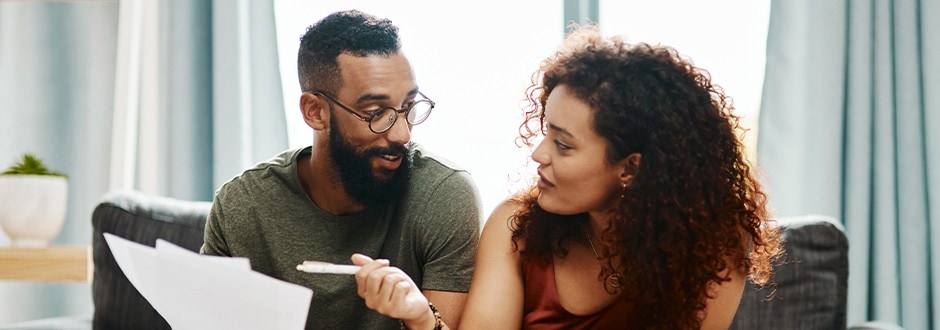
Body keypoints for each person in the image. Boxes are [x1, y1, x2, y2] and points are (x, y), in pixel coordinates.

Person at [359, 24, 782, 329]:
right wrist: (420, 319)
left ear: (630, 167)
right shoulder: (515, 227)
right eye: (546, 133)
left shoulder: (715, 246)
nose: (538, 154)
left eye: (563, 144)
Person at [200, 9, 483, 329]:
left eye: (408, 107)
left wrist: (421, 320)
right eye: (376, 113)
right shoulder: (242, 206)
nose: (402, 133)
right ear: (315, 111)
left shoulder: (443, 196)